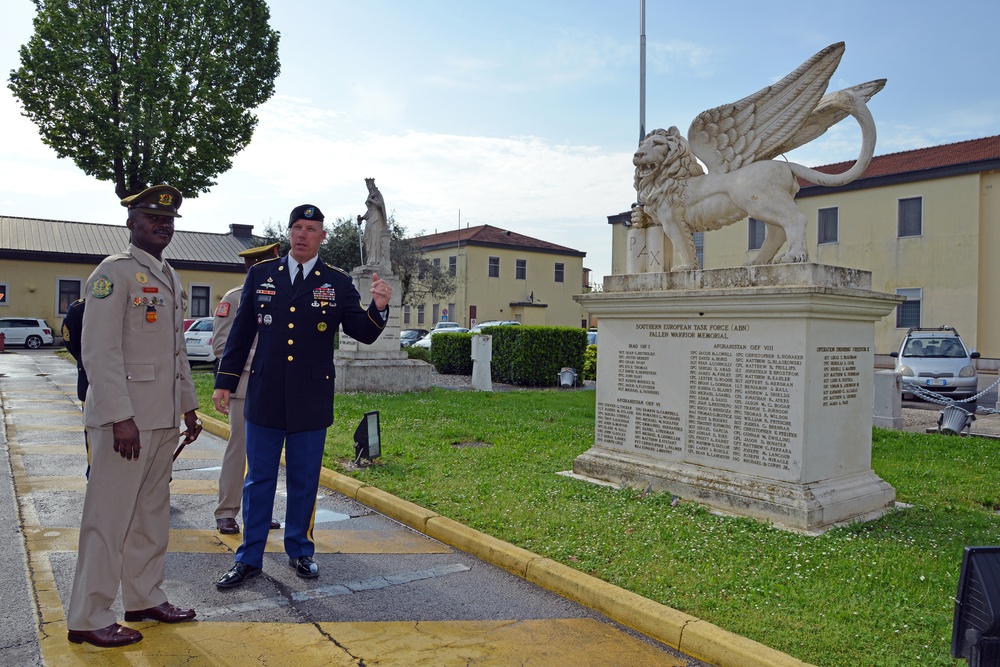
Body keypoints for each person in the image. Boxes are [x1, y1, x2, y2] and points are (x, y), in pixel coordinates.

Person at [213, 204, 391, 589]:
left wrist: (378, 307)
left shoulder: (337, 282)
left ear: (322, 236)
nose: (302, 234)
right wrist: (224, 381)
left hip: (310, 397)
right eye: (297, 227)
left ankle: (300, 550)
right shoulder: (261, 275)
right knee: (257, 479)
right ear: (289, 232)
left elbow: (362, 331)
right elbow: (242, 332)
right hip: (264, 393)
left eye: (311, 229)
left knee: (304, 479)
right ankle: (249, 557)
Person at [66, 185, 202, 648]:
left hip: (162, 419)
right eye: (151, 217)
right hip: (125, 422)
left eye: (168, 219)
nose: (162, 224)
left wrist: (188, 405)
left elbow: (176, 350)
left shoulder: (168, 275)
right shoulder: (114, 273)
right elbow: (98, 352)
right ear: (131, 223)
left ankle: (144, 597)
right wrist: (120, 417)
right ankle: (88, 615)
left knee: (151, 514)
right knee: (108, 519)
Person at [213, 242, 282, 535]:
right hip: (245, 388)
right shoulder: (235, 297)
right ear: (253, 268)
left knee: (266, 454)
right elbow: (220, 346)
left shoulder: (283, 296)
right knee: (239, 450)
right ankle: (227, 511)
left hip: (277, 387)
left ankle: (259, 511)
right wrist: (265, 359)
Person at [61, 297, 91, 477]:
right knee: (94, 436)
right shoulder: (80, 308)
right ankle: (94, 475)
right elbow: (70, 340)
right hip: (90, 383)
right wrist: (84, 360)